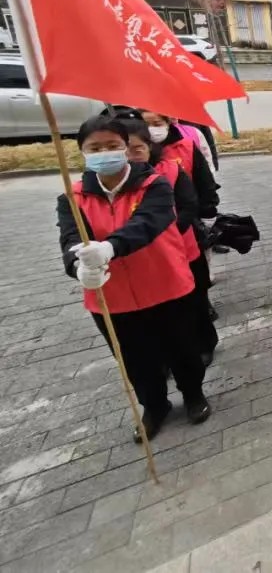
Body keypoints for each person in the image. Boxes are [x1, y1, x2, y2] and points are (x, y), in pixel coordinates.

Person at [58, 116, 210, 442]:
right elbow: (70, 239)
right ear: (82, 152)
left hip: (165, 284)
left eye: (112, 145)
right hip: (111, 295)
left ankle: (193, 394)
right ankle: (154, 406)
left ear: (126, 148)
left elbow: (148, 223)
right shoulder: (73, 197)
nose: (104, 153)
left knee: (182, 348)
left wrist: (109, 247)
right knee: (134, 358)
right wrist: (78, 266)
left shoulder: (154, 185)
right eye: (94, 148)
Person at [124, 119, 219, 365]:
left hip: (182, 246)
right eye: (123, 149)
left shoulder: (171, 169)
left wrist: (168, 234)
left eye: (137, 148)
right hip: (140, 257)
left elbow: (190, 204)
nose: (130, 155)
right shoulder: (113, 183)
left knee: (193, 300)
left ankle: (204, 343)